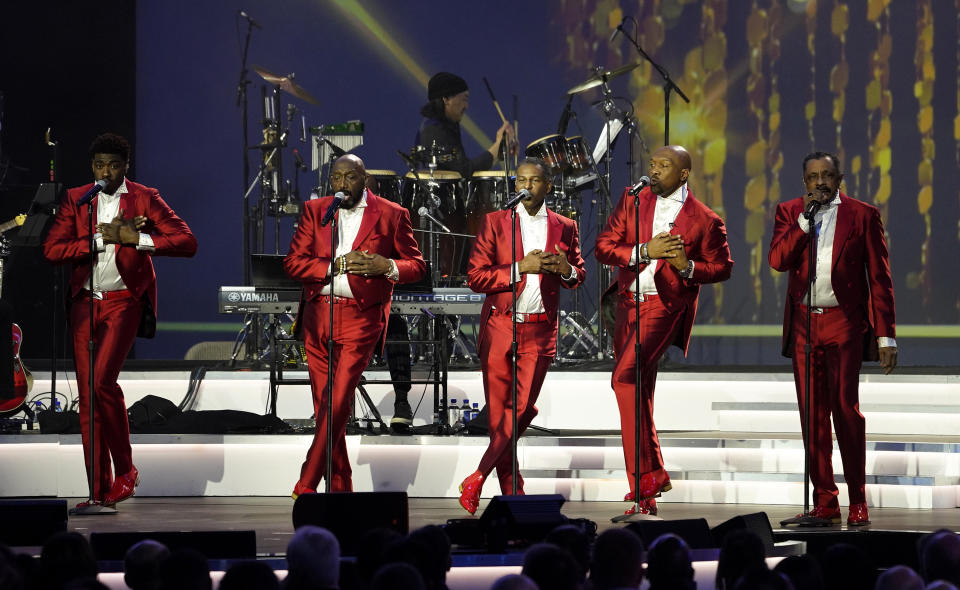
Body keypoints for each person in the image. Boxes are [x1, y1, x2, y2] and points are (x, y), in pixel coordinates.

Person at [43, 133, 197, 509]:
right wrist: (96, 242)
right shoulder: (78, 198)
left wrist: (136, 237)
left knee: (101, 382)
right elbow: (52, 249)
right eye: (99, 165)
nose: (105, 172)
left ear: (126, 166)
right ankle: (98, 492)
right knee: (88, 400)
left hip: (124, 302)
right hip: (85, 303)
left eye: (113, 165)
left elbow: (186, 240)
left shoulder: (145, 197)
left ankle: (126, 469)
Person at [595, 145, 733, 515]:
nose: (654, 171)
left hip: (664, 306)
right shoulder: (633, 200)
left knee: (623, 380)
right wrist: (644, 250)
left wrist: (687, 267)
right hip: (627, 305)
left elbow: (722, 267)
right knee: (639, 391)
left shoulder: (705, 219)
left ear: (684, 174)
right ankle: (644, 497)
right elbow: (604, 248)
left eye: (664, 166)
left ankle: (650, 471)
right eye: (652, 165)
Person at [284, 154, 426, 495]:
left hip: (361, 317)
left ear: (365, 178)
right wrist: (333, 265)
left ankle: (306, 483)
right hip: (318, 315)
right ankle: (341, 490)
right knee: (325, 409)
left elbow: (417, 266)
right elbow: (293, 263)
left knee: (337, 402)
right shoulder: (316, 210)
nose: (342, 184)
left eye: (349, 177)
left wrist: (386, 265)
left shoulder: (392, 214)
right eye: (336, 178)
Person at [768, 151, 897, 527]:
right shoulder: (790, 212)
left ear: (839, 178)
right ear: (804, 182)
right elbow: (777, 260)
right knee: (812, 418)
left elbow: (880, 279)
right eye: (813, 177)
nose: (820, 182)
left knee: (844, 409)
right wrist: (803, 225)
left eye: (827, 175)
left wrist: (887, 335)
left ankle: (858, 500)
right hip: (805, 323)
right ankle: (825, 501)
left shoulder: (863, 214)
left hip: (844, 322)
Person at [457, 157, 585, 514]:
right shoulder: (495, 223)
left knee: (520, 409)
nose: (526, 186)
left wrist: (567, 269)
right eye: (520, 181)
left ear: (547, 185)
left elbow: (579, 274)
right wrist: (518, 268)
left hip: (540, 328)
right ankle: (515, 499)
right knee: (501, 420)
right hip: (500, 325)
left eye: (534, 180)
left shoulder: (565, 226)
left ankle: (478, 477)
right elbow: (476, 277)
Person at [415, 72, 515, 179]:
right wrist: (498, 146)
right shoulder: (433, 131)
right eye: (464, 99)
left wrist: (502, 150)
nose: (466, 106)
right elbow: (463, 173)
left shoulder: (446, 126)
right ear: (446, 99)